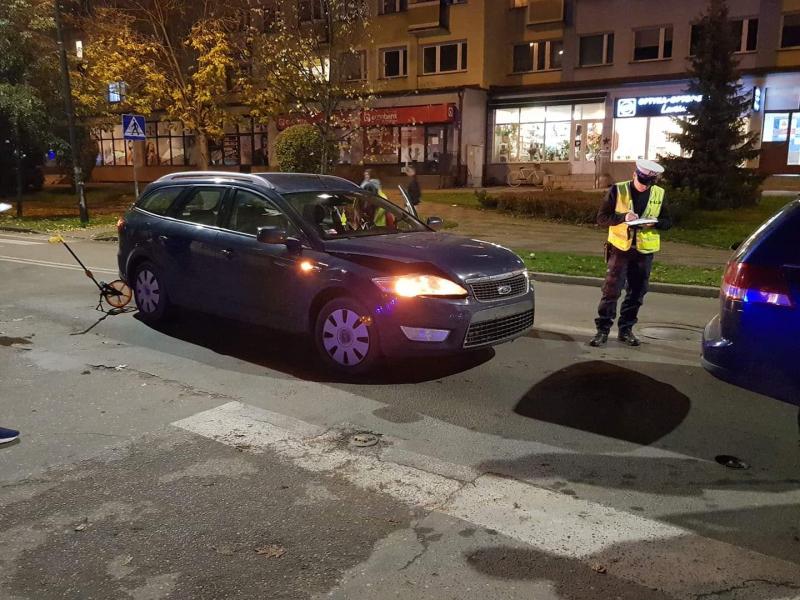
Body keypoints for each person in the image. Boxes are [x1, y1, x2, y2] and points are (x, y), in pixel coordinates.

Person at [589, 159, 672, 347]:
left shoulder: (658, 193)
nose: (644, 187)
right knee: (611, 292)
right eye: (642, 183)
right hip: (620, 249)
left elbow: (668, 221)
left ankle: (626, 330)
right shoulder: (618, 190)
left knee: (637, 293)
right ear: (635, 175)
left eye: (649, 184)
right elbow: (601, 218)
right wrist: (623, 218)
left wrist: (656, 223)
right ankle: (602, 331)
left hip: (644, 252)